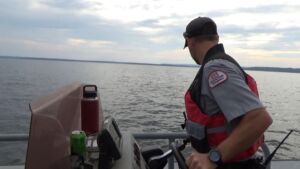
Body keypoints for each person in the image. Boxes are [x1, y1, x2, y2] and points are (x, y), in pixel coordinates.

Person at [182, 16, 273, 169]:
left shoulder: (215, 68)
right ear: (216, 38)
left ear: (190, 42)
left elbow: (260, 118)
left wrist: (213, 158)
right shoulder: (224, 63)